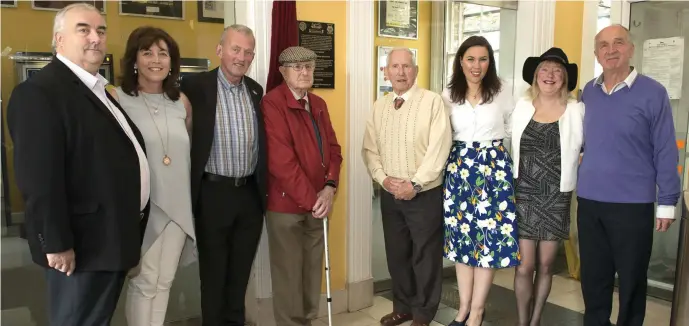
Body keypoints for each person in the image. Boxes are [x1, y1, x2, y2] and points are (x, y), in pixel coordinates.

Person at [6, 3, 150, 325]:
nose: (95, 38)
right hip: (80, 249)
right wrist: (56, 244)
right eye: (83, 30)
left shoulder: (99, 89)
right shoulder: (40, 93)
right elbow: (38, 179)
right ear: (58, 40)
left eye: (100, 31)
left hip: (108, 240)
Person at [577, 24, 680, 326]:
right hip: (590, 201)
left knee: (633, 279)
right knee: (594, 278)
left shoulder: (653, 92)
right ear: (596, 54)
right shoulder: (588, 92)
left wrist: (667, 201)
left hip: (633, 204)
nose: (611, 50)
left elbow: (665, 149)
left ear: (630, 48)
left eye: (618, 43)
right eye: (604, 45)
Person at [107, 26, 197, 326]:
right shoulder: (115, 99)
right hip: (142, 209)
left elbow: (184, 154)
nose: (155, 60)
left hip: (178, 209)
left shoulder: (181, 103)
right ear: (134, 60)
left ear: (172, 62)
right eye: (147, 53)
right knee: (144, 283)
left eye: (163, 53)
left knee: (164, 282)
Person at [179, 24, 267, 326]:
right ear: (220, 50)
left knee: (240, 274)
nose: (241, 57)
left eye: (248, 52)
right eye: (235, 49)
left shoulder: (256, 91)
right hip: (212, 195)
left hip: (249, 197)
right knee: (214, 276)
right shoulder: (194, 87)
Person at [362, 47, 452, 326]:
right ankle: (403, 307)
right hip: (391, 194)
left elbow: (440, 147)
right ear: (385, 72)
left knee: (425, 257)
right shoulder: (379, 106)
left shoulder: (432, 102)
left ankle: (423, 313)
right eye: (395, 67)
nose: (401, 72)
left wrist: (415, 183)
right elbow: (369, 149)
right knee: (397, 253)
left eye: (406, 66)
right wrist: (383, 179)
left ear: (415, 70)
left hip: (423, 193)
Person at [261, 46, 343, 326]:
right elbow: (281, 162)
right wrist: (315, 200)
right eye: (298, 67)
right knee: (289, 277)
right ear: (283, 72)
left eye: (309, 66)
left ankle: (307, 322)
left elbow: (334, 149)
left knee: (311, 274)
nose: (305, 72)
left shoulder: (318, 103)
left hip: (318, 206)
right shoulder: (272, 104)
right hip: (286, 208)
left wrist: (330, 187)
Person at [441, 35, 519, 326]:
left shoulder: (504, 91)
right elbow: (441, 135)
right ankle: (462, 308)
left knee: (487, 244)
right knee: (463, 242)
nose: (477, 65)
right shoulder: (448, 94)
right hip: (459, 169)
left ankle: (477, 311)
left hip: (493, 170)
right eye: (471, 59)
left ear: (490, 62)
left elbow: (515, 130)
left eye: (483, 59)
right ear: (460, 61)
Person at [510, 47, 584, 326]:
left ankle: (536, 319)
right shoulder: (521, 107)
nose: (550, 75)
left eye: (557, 71)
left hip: (556, 196)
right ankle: (521, 322)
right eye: (544, 69)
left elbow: (590, 145)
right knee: (524, 265)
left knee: (545, 265)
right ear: (535, 75)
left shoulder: (577, 110)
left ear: (564, 78)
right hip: (524, 194)